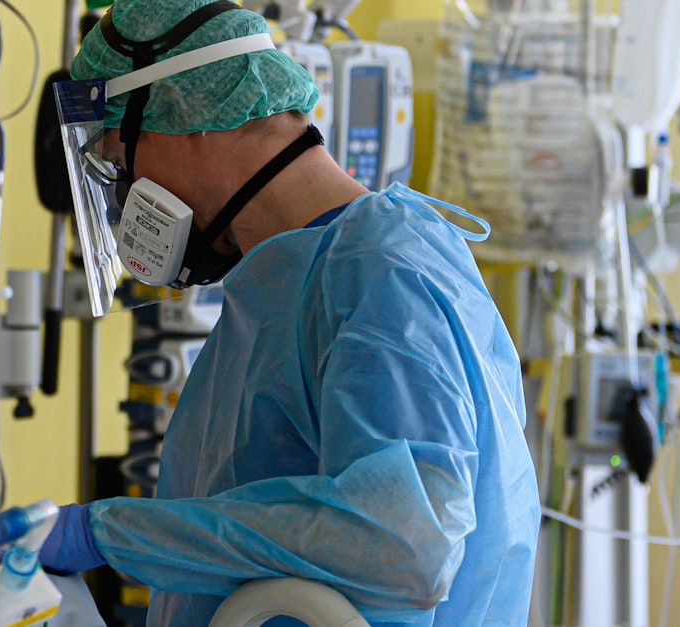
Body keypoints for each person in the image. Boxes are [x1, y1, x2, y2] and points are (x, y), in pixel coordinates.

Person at [35, 1, 540, 626]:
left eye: (121, 162)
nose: (125, 199)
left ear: (186, 117)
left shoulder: (385, 278)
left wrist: (106, 535)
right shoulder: (276, 294)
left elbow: (405, 544)